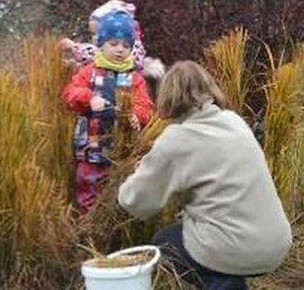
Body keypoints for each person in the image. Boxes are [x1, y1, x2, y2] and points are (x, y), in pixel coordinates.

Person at [118, 61, 292, 290]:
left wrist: (141, 172)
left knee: (165, 244)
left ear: (168, 97)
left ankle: (225, 284)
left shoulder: (175, 140)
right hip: (275, 243)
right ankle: (228, 282)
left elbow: (137, 202)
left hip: (238, 248)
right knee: (203, 237)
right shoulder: (234, 121)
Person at [62, 11, 153, 215]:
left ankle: (111, 229)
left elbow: (145, 106)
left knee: (116, 192)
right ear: (101, 45)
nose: (120, 50)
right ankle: (86, 227)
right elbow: (70, 94)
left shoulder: (135, 78)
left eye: (126, 45)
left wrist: (136, 116)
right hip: (91, 148)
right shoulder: (90, 72)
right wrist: (89, 99)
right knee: (87, 188)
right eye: (113, 44)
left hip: (121, 151)